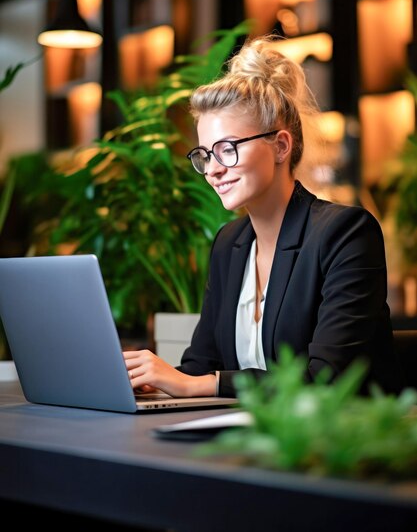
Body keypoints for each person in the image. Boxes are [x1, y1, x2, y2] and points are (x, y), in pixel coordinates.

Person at [123, 34, 404, 398]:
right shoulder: (229, 245)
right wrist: (150, 380)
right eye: (205, 155)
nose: (213, 170)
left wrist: (200, 384)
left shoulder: (345, 234)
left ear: (281, 146)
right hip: (246, 438)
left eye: (226, 149)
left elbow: (326, 379)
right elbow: (200, 365)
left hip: (340, 443)